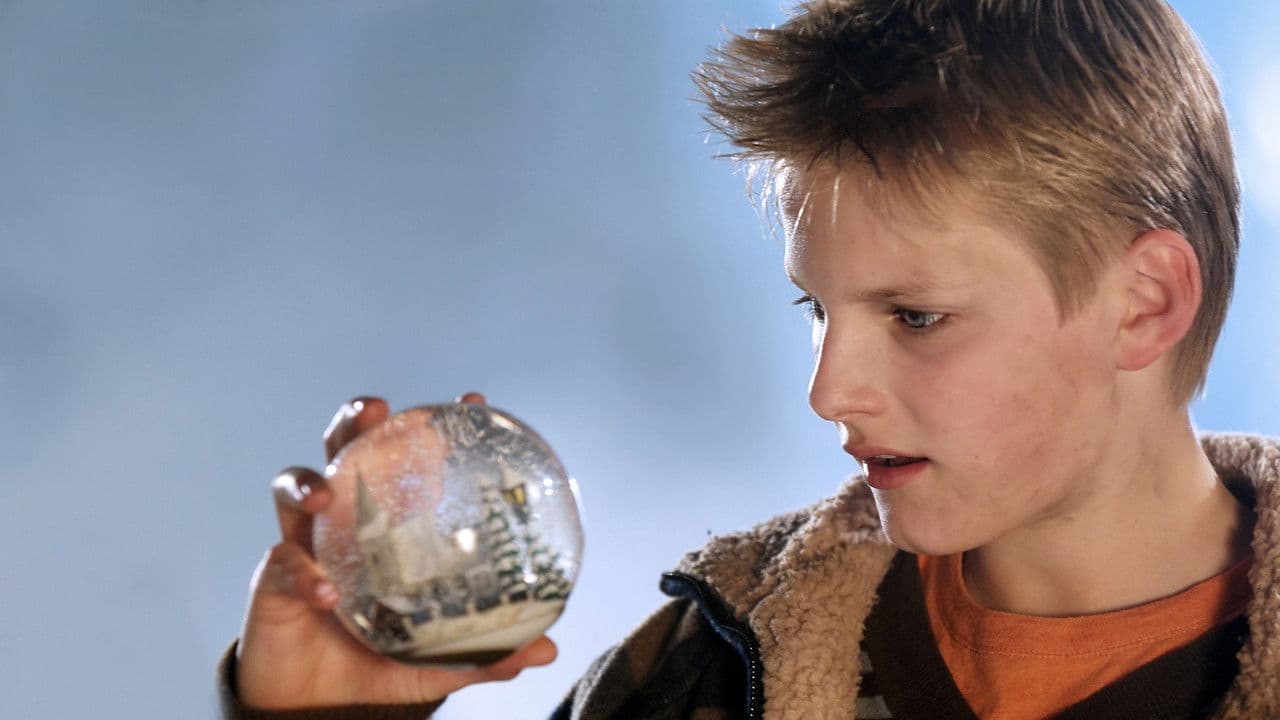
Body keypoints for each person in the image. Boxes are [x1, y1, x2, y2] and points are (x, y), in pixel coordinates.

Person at [219, 1, 1280, 718]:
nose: (828, 392)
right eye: (815, 308)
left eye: (915, 316)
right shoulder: (703, 665)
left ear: (1144, 304)